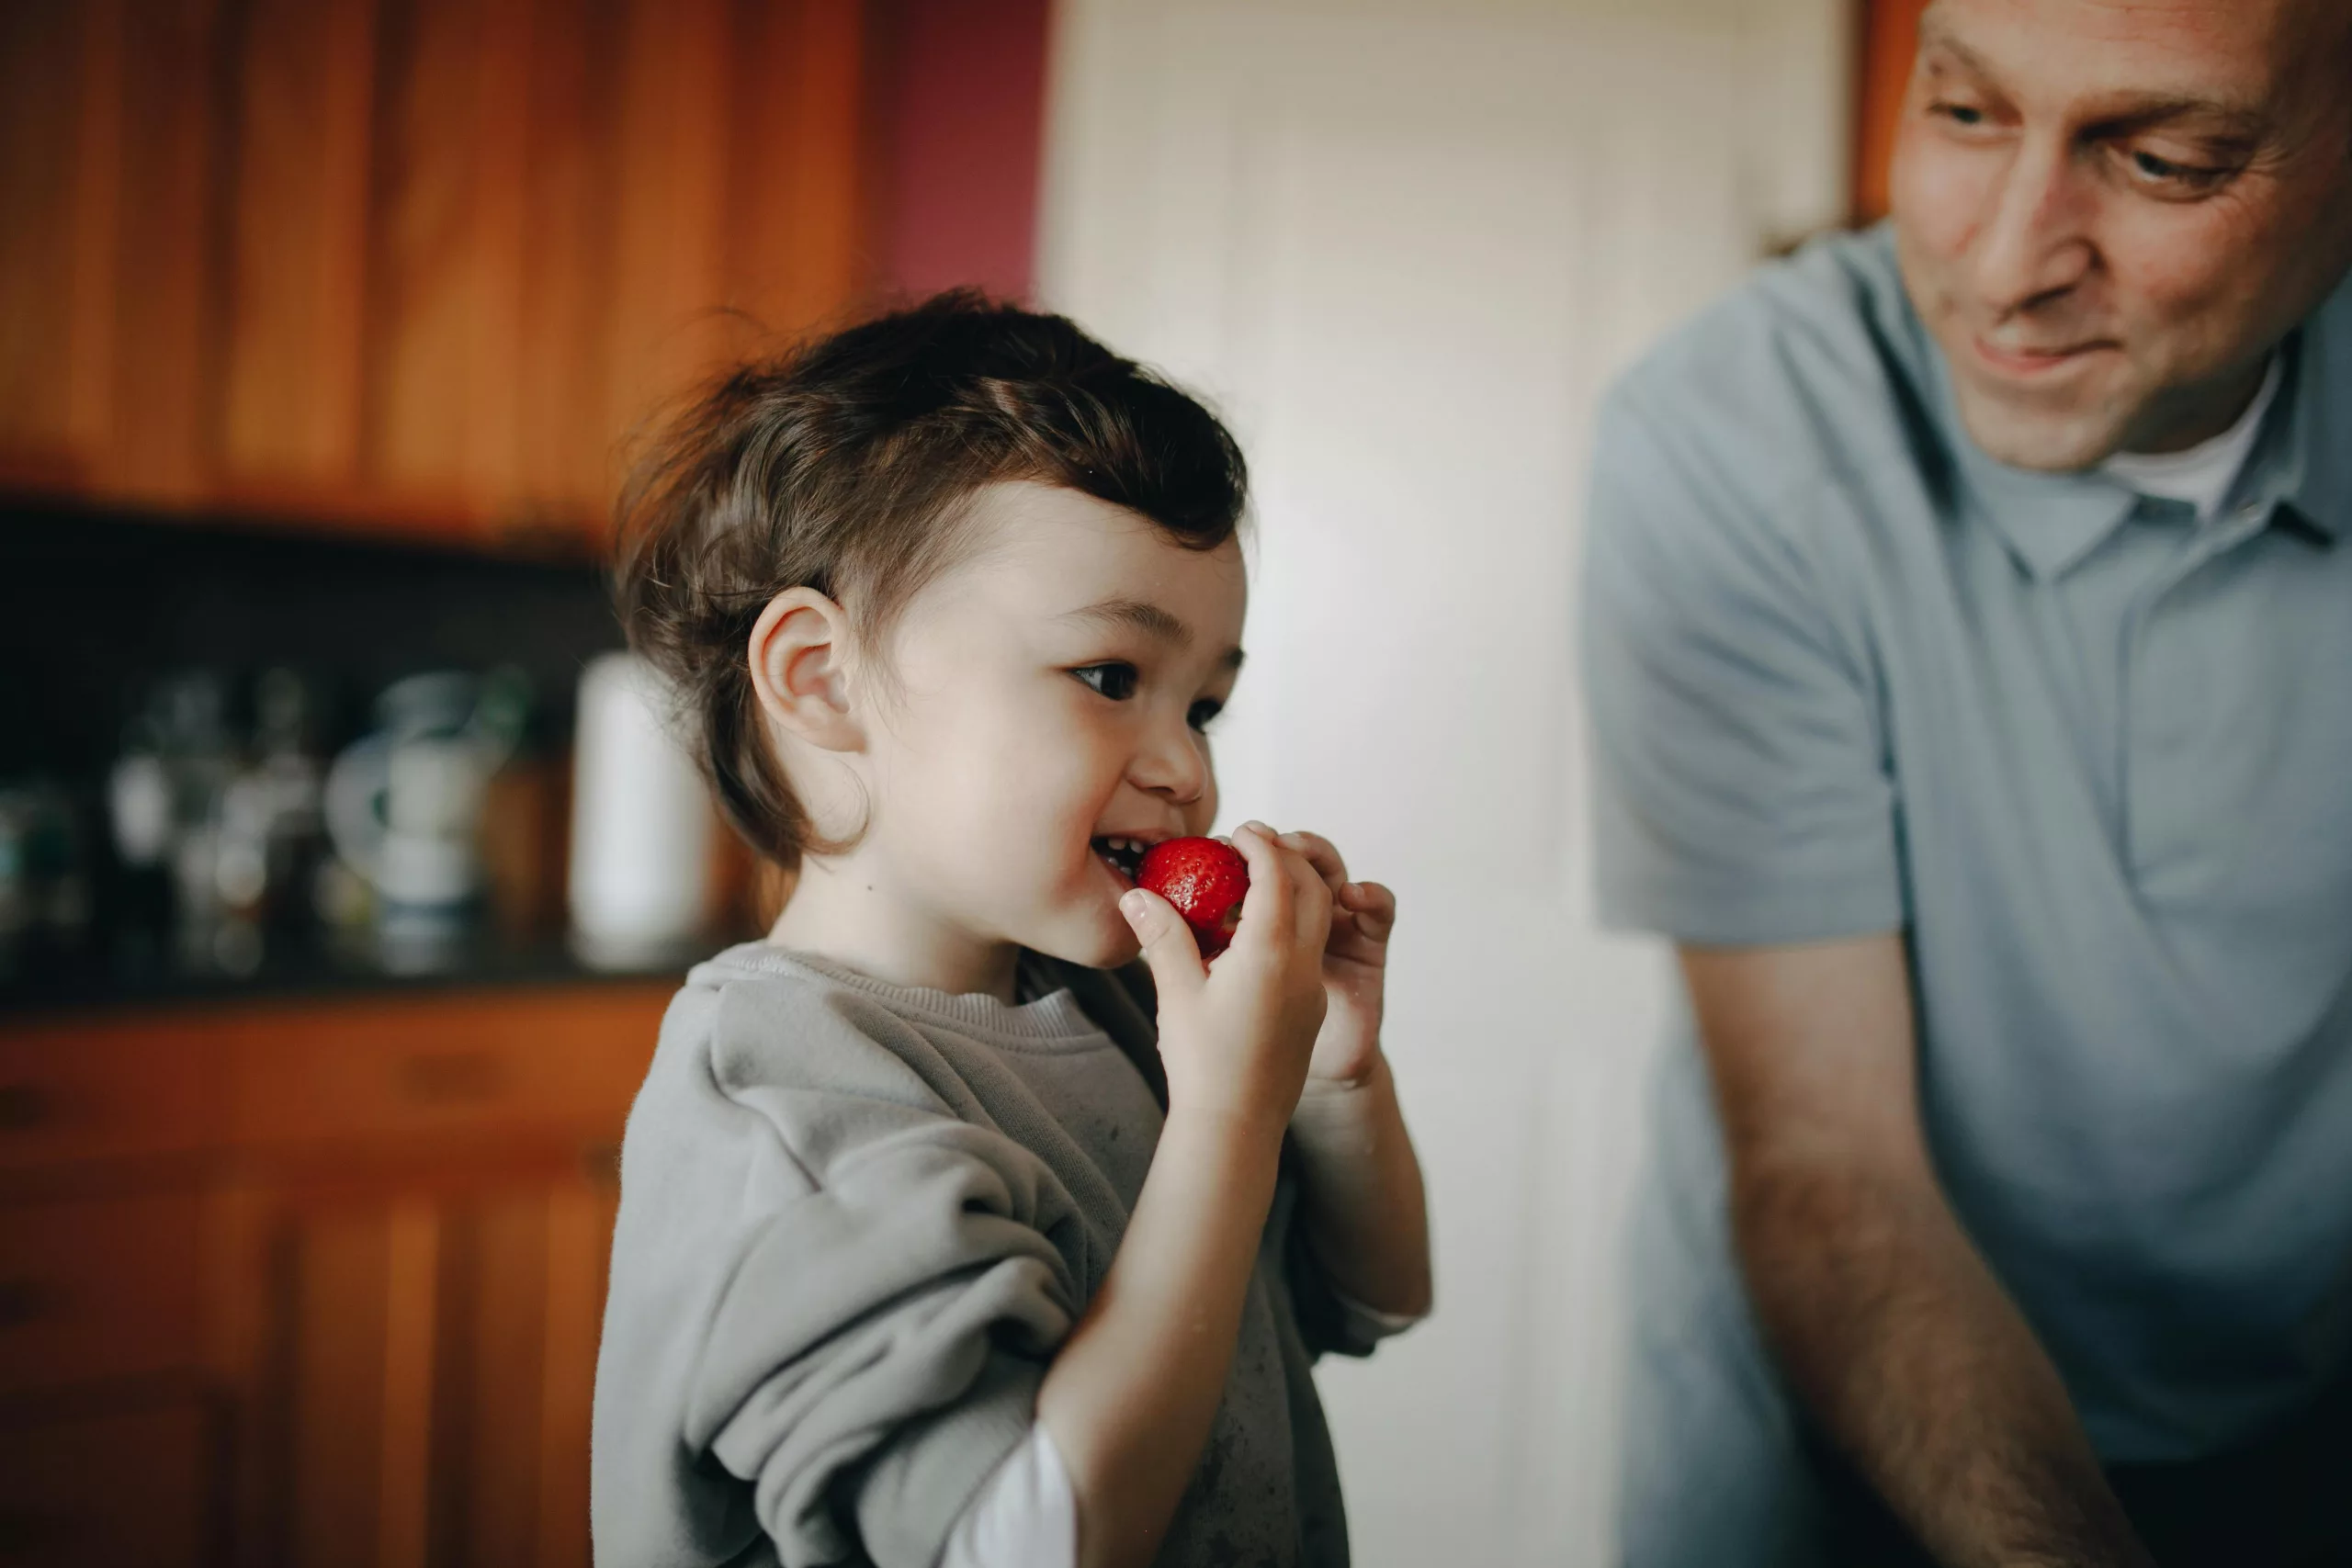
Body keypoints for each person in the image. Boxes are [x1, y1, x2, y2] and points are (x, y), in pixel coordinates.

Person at [1581, 0, 2352, 1562]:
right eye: (1965, 112)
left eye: (2165, 159)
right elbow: (1829, 1163)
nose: (2005, 265)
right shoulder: (1730, 438)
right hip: (1835, 1442)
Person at [589, 294, 1430, 1568]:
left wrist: (1326, 1074)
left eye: (1203, 703)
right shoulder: (789, 1105)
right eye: (1110, 678)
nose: (1184, 769)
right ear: (823, 681)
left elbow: (1375, 1295)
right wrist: (1226, 1117)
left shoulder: (1128, 1007)